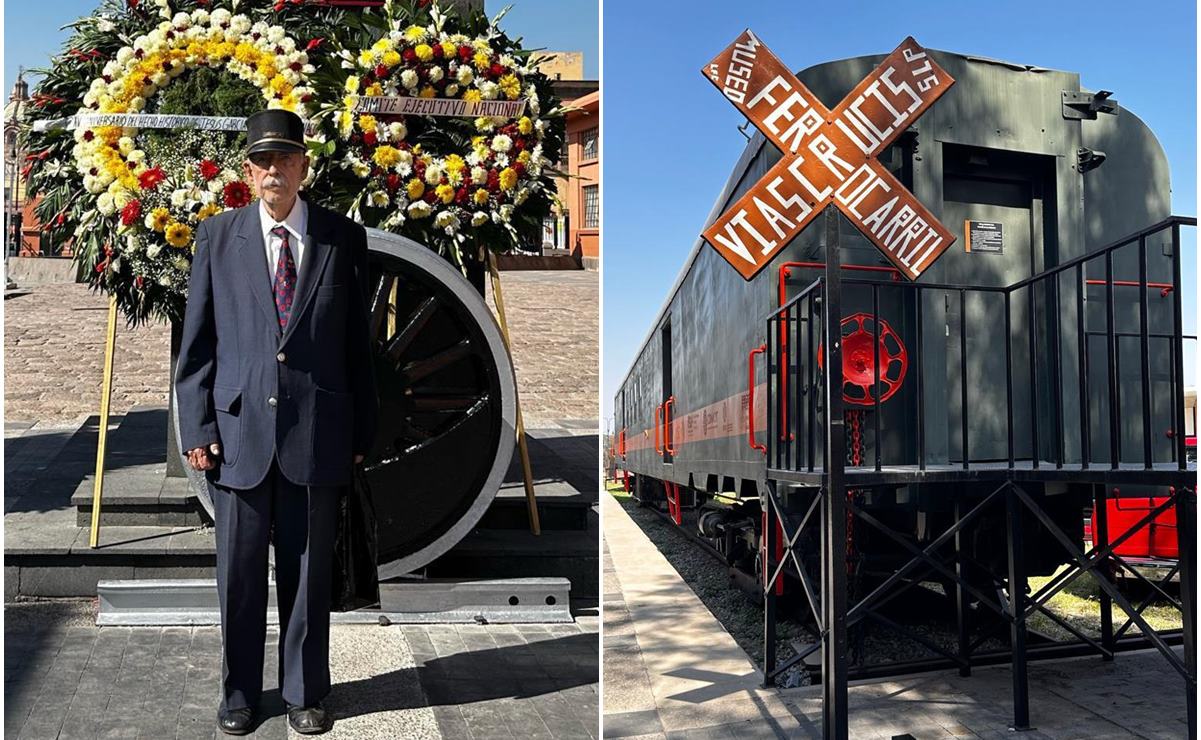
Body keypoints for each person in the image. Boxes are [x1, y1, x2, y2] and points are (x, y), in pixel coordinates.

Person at [175, 108, 379, 735]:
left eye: (286, 159)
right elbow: (198, 343)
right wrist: (197, 427)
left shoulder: (344, 240)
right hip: (237, 437)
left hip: (315, 435)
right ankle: (239, 692)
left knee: (308, 572)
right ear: (248, 170)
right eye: (263, 161)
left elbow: (357, 348)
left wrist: (358, 436)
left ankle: (304, 691)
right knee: (237, 577)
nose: (274, 171)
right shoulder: (218, 237)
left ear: (303, 167)